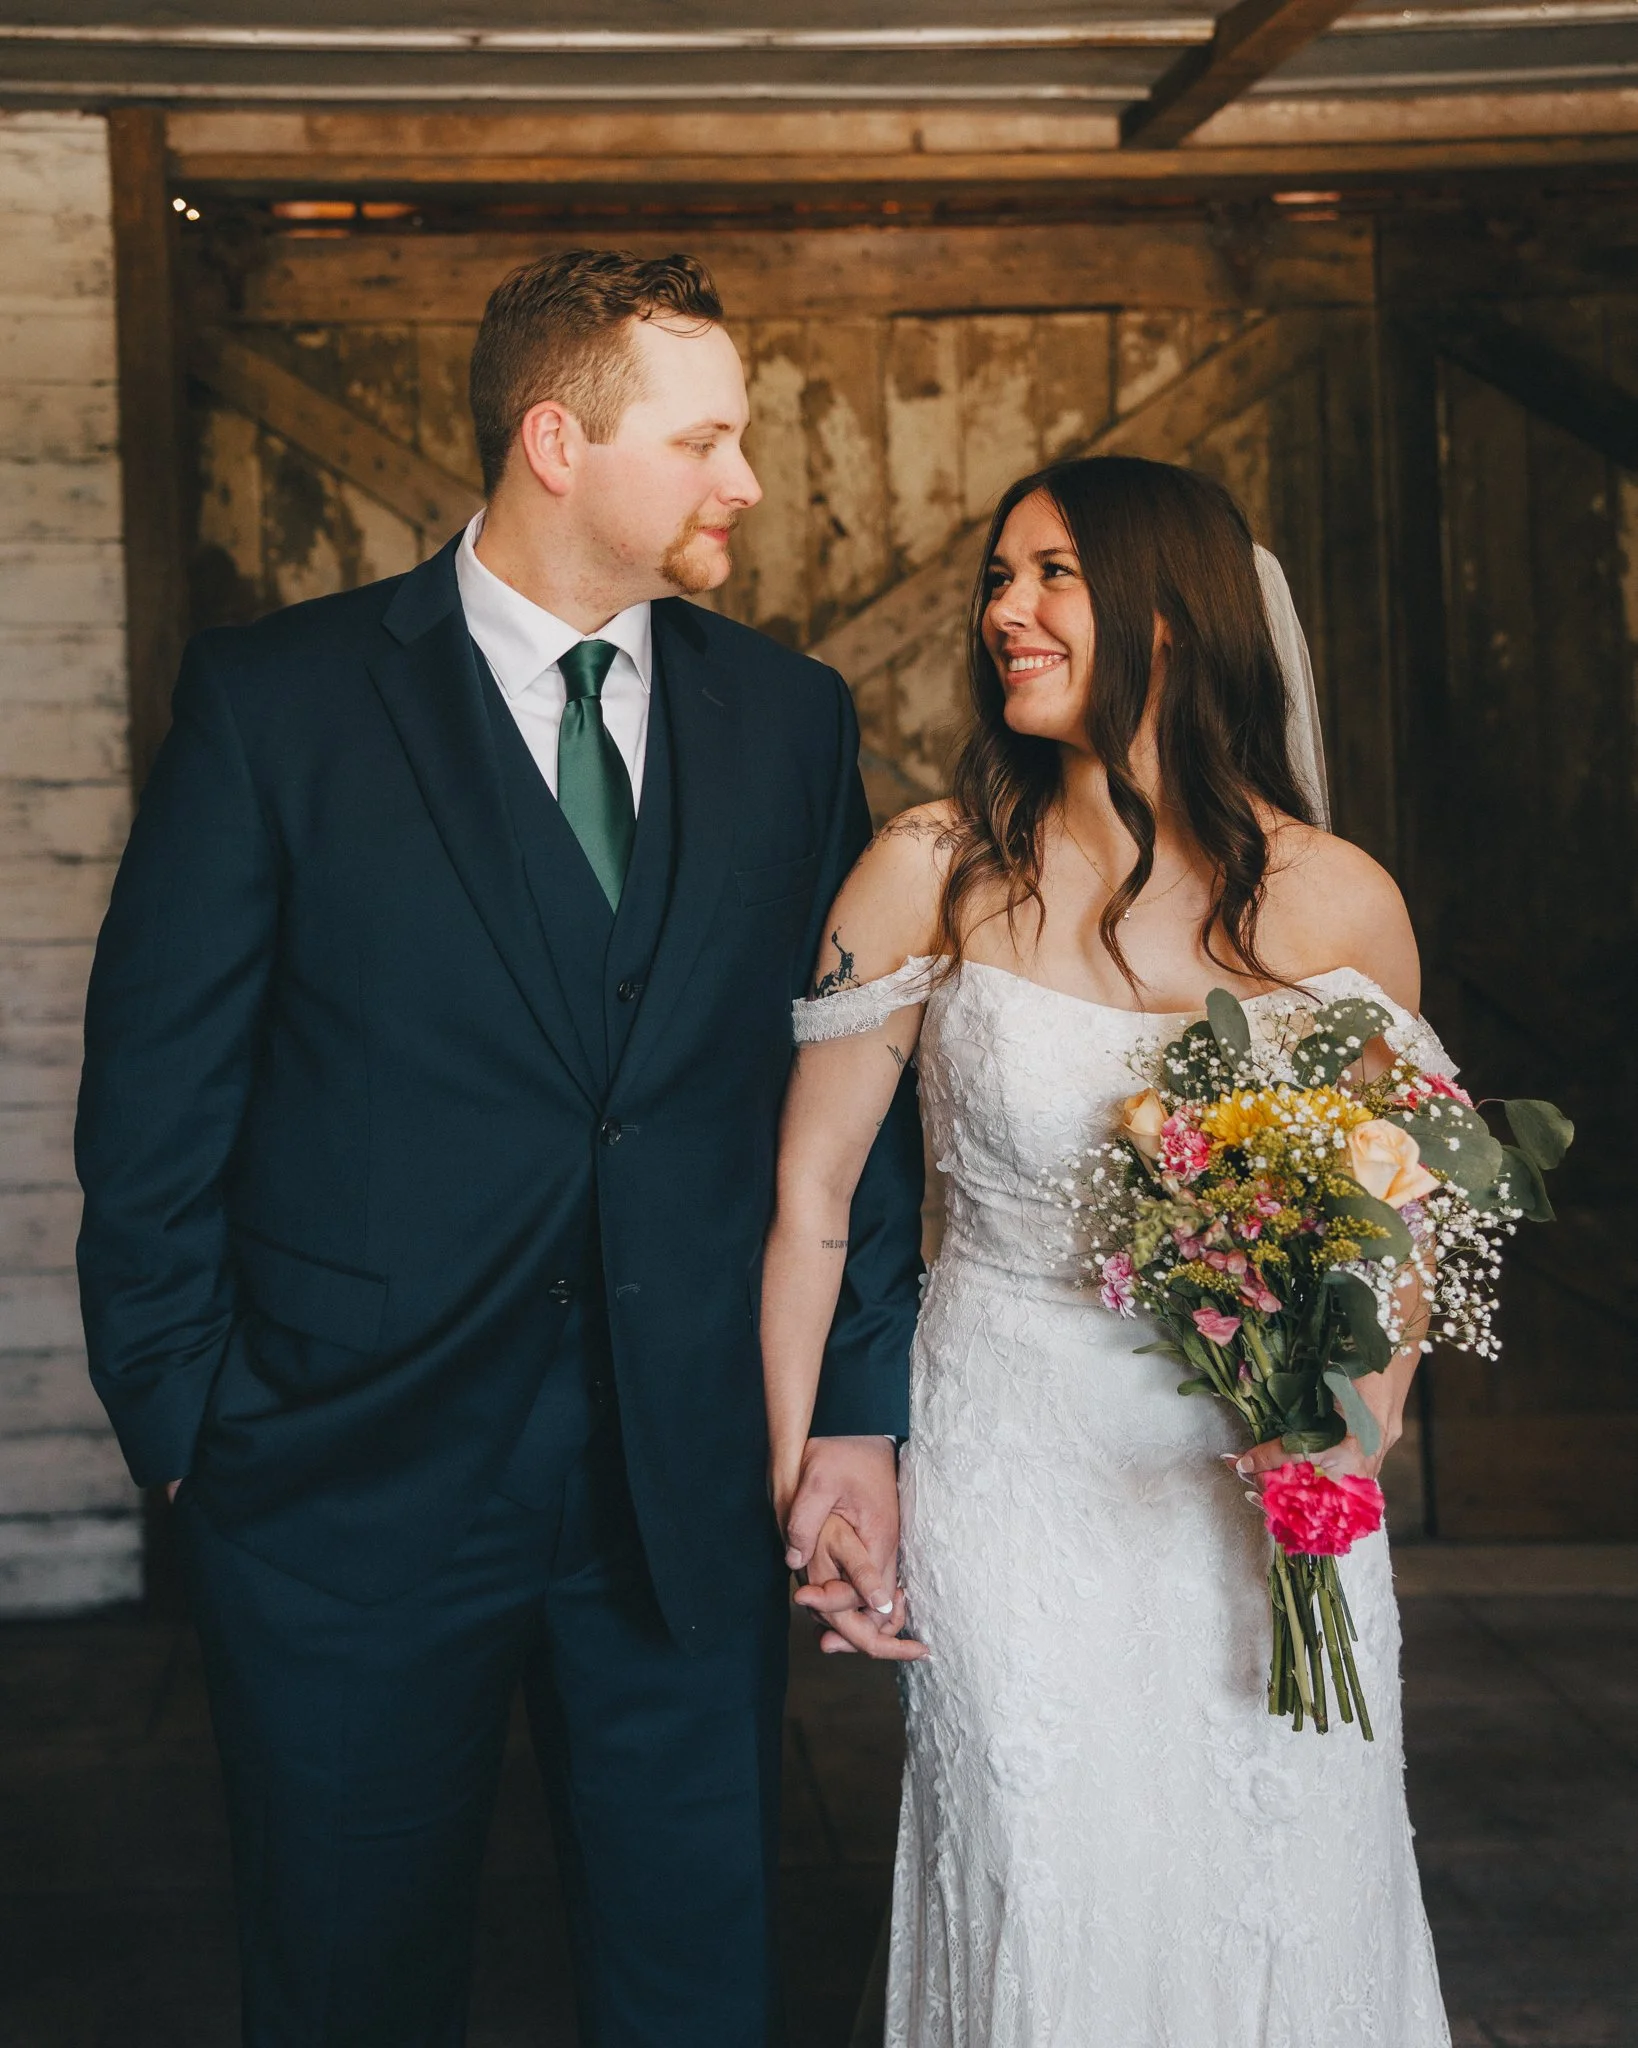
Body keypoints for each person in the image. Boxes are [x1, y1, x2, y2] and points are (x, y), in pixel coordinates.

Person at [75, 249, 924, 2048]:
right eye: (705, 441)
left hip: (687, 1474)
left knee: (695, 1987)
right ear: (557, 440)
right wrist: (191, 1435)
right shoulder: (277, 704)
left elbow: (855, 1102)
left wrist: (853, 1411)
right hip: (338, 1488)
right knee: (345, 1983)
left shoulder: (788, 721)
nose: (745, 483)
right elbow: (156, 1101)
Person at [762, 456, 1452, 2044]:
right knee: (1038, 1852)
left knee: (1291, 1858)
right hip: (1015, 1457)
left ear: (1168, 610)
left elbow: (1406, 1206)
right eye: (998, 578)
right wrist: (802, 1477)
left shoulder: (1337, 899)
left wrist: (1351, 1428)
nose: (1005, 611)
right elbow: (805, 1197)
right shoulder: (931, 868)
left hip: (1259, 1479)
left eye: (1051, 574)